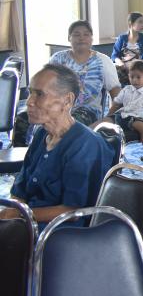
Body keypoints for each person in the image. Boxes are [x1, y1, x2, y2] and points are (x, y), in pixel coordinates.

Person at [1, 64, 114, 230]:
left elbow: (73, 211)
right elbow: (20, 191)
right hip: (27, 221)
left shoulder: (85, 144)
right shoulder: (41, 134)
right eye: (30, 93)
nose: (30, 102)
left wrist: (20, 214)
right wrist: (12, 214)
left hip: (60, 232)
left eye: (39, 94)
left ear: (67, 101)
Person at [50, 20, 121, 125]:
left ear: (91, 38)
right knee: (28, 118)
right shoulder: (57, 59)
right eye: (76, 34)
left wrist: (110, 117)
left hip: (87, 112)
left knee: (69, 123)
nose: (81, 38)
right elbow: (46, 86)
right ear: (69, 38)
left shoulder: (102, 61)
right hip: (57, 107)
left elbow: (116, 92)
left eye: (86, 34)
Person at [97, 59, 143, 167]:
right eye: (132, 77)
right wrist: (109, 115)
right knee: (102, 123)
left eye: (138, 77)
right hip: (121, 116)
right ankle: (87, 142)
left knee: (142, 128)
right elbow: (116, 103)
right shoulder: (126, 89)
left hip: (135, 118)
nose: (134, 80)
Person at [111, 11, 143, 84]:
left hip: (141, 67)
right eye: (140, 22)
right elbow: (114, 55)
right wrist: (121, 63)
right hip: (124, 68)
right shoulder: (122, 38)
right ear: (131, 23)